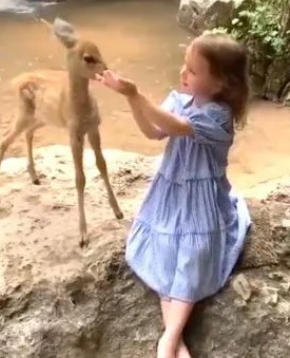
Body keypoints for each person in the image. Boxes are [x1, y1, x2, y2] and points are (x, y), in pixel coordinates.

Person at [93, 32, 252, 358]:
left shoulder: (218, 117)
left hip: (202, 202)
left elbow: (178, 127)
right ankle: (175, 344)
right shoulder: (180, 100)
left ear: (221, 83)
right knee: (164, 253)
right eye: (185, 66)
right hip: (170, 193)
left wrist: (137, 94)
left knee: (194, 256)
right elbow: (153, 131)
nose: (183, 74)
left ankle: (169, 339)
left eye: (193, 71)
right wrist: (130, 98)